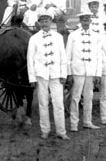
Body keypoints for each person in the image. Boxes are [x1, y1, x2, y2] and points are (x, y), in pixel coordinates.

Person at [27, 10, 69, 140]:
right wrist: (32, 78)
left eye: (47, 21)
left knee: (58, 103)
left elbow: (63, 56)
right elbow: (30, 59)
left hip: (56, 74)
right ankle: (45, 130)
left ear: (51, 22)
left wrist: (63, 74)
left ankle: (61, 131)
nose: (45, 23)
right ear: (39, 23)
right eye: (42, 21)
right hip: (41, 75)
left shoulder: (58, 37)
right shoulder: (34, 39)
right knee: (43, 103)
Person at [66, 12, 102, 132]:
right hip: (78, 70)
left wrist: (97, 73)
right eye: (83, 21)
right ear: (80, 22)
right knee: (75, 97)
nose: (86, 23)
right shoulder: (73, 36)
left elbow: (98, 56)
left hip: (90, 71)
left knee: (89, 97)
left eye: (88, 21)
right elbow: (68, 56)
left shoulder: (96, 36)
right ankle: (74, 124)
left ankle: (87, 121)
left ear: (90, 22)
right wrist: (69, 72)